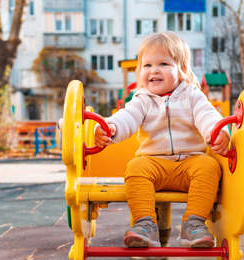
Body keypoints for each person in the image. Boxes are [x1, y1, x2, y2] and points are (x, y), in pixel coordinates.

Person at [94, 32, 229, 248]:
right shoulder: (142, 99)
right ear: (140, 72)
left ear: (182, 70)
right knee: (136, 167)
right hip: (154, 164)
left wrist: (217, 132)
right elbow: (127, 117)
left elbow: (208, 116)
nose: (154, 70)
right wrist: (111, 128)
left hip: (190, 162)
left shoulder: (192, 95)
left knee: (209, 167)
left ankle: (193, 223)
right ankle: (144, 224)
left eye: (164, 63)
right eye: (147, 65)